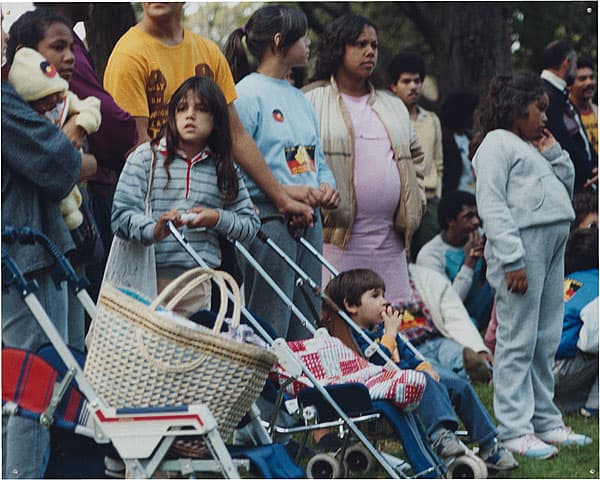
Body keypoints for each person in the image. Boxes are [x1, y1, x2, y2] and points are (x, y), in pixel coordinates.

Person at [104, 2, 312, 224]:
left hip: (208, 208)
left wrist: (281, 199)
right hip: (155, 211)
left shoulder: (208, 51)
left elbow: (236, 135)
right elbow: (136, 147)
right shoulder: (129, 54)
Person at [472, 72, 591, 458]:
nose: (544, 117)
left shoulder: (531, 146)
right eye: (539, 109)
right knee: (518, 338)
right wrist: (511, 259)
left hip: (552, 243)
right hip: (522, 249)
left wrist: (556, 153)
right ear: (516, 108)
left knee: (546, 337)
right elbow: (491, 205)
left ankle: (546, 420)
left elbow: (567, 184)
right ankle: (512, 427)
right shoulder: (495, 145)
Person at [323, 269, 518, 472]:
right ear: (352, 305)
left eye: (383, 294)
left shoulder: (380, 329)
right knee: (424, 380)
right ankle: (440, 435)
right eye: (375, 296)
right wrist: (390, 334)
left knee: (459, 386)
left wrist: (424, 366)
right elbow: (372, 365)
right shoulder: (351, 339)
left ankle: (489, 444)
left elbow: (409, 354)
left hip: (411, 380)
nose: (384, 301)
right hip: (384, 389)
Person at [1, 10, 83, 478]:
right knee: (30, 379)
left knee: (24, 383)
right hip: (21, 256)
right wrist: (71, 140)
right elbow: (58, 165)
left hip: (29, 251)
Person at [224, 5, 338, 339]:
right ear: (278, 40)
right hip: (269, 223)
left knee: (306, 319)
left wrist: (326, 188)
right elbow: (234, 172)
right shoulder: (246, 94)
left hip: (309, 222)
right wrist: (288, 195)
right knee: (269, 323)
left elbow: (316, 161)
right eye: (302, 37)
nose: (308, 44)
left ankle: (300, 391)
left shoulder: (300, 99)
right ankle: (265, 392)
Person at [303, 14, 426, 306]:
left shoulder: (393, 105)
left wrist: (414, 206)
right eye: (360, 44)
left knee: (389, 321)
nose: (370, 51)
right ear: (338, 49)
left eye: (374, 45)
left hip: (389, 242)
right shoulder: (311, 100)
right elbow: (298, 158)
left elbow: (417, 160)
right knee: (337, 319)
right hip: (336, 241)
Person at [112, 76, 259, 316]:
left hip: (198, 283)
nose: (190, 115)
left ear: (217, 119)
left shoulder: (223, 168)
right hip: (145, 279)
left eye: (201, 109)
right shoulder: (145, 158)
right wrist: (154, 229)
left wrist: (216, 218)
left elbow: (250, 225)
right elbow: (120, 215)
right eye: (182, 108)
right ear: (172, 116)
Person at [34, 2, 139, 301]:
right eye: (59, 48)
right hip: (61, 220)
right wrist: (84, 155)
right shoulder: (49, 54)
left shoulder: (70, 45)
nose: (66, 57)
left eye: (69, 48)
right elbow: (115, 123)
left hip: (85, 201)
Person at [388, 51, 443, 260]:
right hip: (399, 200)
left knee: (427, 260)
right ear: (394, 86)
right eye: (406, 81)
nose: (413, 86)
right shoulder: (388, 119)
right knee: (401, 257)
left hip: (430, 200)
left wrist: (437, 193)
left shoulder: (431, 119)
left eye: (417, 81)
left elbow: (439, 163)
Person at [416, 190, 494, 331]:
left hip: (480, 306)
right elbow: (448, 305)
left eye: (476, 215)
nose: (476, 222)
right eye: (468, 217)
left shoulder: (481, 237)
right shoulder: (431, 255)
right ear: (450, 221)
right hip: (449, 318)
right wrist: (469, 263)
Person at [554, 226, 598, 417]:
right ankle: (594, 407)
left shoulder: (570, 281)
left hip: (537, 368)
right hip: (561, 368)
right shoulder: (597, 285)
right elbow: (589, 342)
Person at [541, 40, 597, 191]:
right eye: (575, 62)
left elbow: (579, 136)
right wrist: (587, 173)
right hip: (573, 187)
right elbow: (562, 142)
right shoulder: (545, 95)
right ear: (567, 62)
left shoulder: (561, 93)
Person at [439, 91, 479, 196]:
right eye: (472, 112)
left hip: (474, 195)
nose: (475, 116)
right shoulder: (444, 141)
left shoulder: (470, 139)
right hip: (455, 197)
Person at [568, 57, 598, 157]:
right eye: (582, 79)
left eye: (592, 77)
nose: (589, 82)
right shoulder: (565, 116)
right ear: (569, 84)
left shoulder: (597, 111)